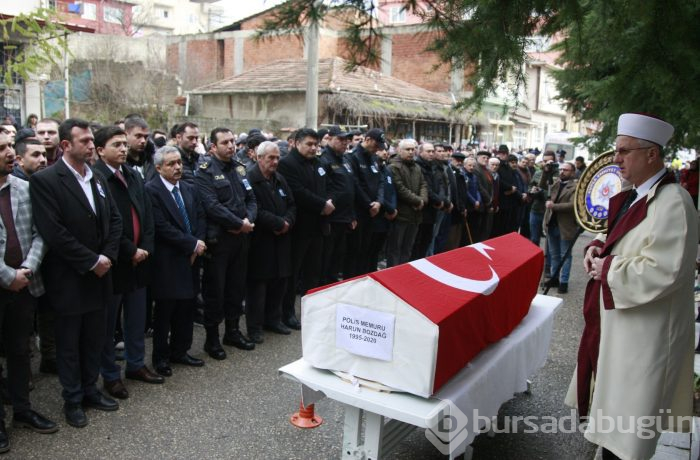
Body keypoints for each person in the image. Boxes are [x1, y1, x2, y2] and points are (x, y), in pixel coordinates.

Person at [566, 113, 698, 460]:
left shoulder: (674, 201)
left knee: (629, 431)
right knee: (615, 421)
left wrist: (607, 267)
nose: (616, 159)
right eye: (616, 151)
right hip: (623, 326)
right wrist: (598, 246)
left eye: (624, 151)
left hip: (645, 334)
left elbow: (665, 270)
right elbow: (619, 237)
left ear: (651, 154)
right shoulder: (635, 195)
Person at [30, 118, 123, 428]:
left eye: (90, 140)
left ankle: (89, 390)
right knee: (69, 343)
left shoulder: (96, 177)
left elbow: (114, 220)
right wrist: (90, 261)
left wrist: (107, 256)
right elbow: (53, 232)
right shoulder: (47, 180)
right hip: (70, 278)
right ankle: (72, 399)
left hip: (100, 275)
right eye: (83, 141)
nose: (89, 145)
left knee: (94, 339)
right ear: (66, 145)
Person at [92, 126, 163, 400]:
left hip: (140, 259)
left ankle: (135, 364)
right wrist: (129, 250)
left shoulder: (132, 174)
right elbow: (108, 223)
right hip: (117, 261)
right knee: (109, 324)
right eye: (116, 145)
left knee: (137, 318)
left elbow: (146, 214)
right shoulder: (96, 178)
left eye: (124, 144)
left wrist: (145, 247)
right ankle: (110, 375)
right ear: (100, 150)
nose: (123, 149)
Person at [0, 133, 57, 453]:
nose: (10, 153)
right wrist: (7, 276)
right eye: (3, 149)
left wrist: (26, 270)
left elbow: (40, 234)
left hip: (24, 285)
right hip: (5, 282)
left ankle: (22, 410)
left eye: (10, 148)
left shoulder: (25, 188)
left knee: (20, 352)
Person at [196, 128, 257, 360]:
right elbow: (211, 205)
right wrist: (237, 222)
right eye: (225, 142)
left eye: (232, 141)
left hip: (241, 239)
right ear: (213, 147)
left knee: (236, 288)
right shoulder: (205, 171)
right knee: (215, 291)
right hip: (219, 240)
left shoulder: (240, 168)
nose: (231, 146)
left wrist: (248, 221)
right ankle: (212, 339)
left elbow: (251, 198)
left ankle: (232, 331)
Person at [146, 147, 207, 376]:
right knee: (165, 311)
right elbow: (161, 227)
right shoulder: (151, 191)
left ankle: (180, 350)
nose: (178, 167)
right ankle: (161, 358)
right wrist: (191, 244)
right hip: (168, 260)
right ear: (159, 167)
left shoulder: (190, 188)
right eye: (171, 164)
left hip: (191, 257)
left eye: (179, 162)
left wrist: (198, 242)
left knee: (187, 307)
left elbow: (200, 216)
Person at [277, 128, 332, 330]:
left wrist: (328, 202)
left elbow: (326, 186)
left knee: (313, 272)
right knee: (293, 274)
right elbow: (298, 192)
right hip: (299, 227)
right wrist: (322, 205)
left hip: (318, 226)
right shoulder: (287, 164)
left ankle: (311, 311)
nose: (313, 148)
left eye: (316, 145)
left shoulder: (318, 163)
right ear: (296, 143)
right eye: (309, 144)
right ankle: (287, 313)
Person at [245, 141, 296, 343]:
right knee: (258, 285)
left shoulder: (279, 179)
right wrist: (277, 223)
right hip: (261, 240)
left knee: (279, 281)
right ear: (259, 158)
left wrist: (288, 222)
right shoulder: (250, 178)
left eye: (277, 158)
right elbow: (254, 207)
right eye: (271, 158)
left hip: (282, 238)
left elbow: (292, 204)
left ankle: (273, 320)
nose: (275, 161)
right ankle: (255, 327)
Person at [318, 126, 356, 283]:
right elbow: (323, 188)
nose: (344, 143)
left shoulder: (345, 159)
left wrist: (352, 215)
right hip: (332, 217)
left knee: (337, 257)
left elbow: (350, 188)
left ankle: (332, 284)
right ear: (329, 138)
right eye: (340, 139)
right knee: (326, 257)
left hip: (345, 217)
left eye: (346, 140)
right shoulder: (323, 159)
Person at [386, 139, 427, 267]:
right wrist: (417, 200)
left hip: (415, 215)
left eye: (413, 149)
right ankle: (392, 275)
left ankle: (402, 274)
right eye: (407, 149)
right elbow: (400, 188)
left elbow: (423, 185)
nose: (411, 152)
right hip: (401, 215)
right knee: (395, 249)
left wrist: (423, 200)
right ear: (399, 150)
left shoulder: (417, 167)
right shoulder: (393, 166)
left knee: (407, 248)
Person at [542, 161, 578, 294]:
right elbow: (543, 186)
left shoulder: (575, 187)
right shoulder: (555, 183)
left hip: (565, 226)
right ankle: (554, 278)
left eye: (566, 170)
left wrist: (554, 206)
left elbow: (573, 205)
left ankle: (564, 282)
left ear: (572, 172)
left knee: (566, 256)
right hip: (551, 224)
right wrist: (546, 172)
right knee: (554, 255)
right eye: (561, 169)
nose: (562, 172)